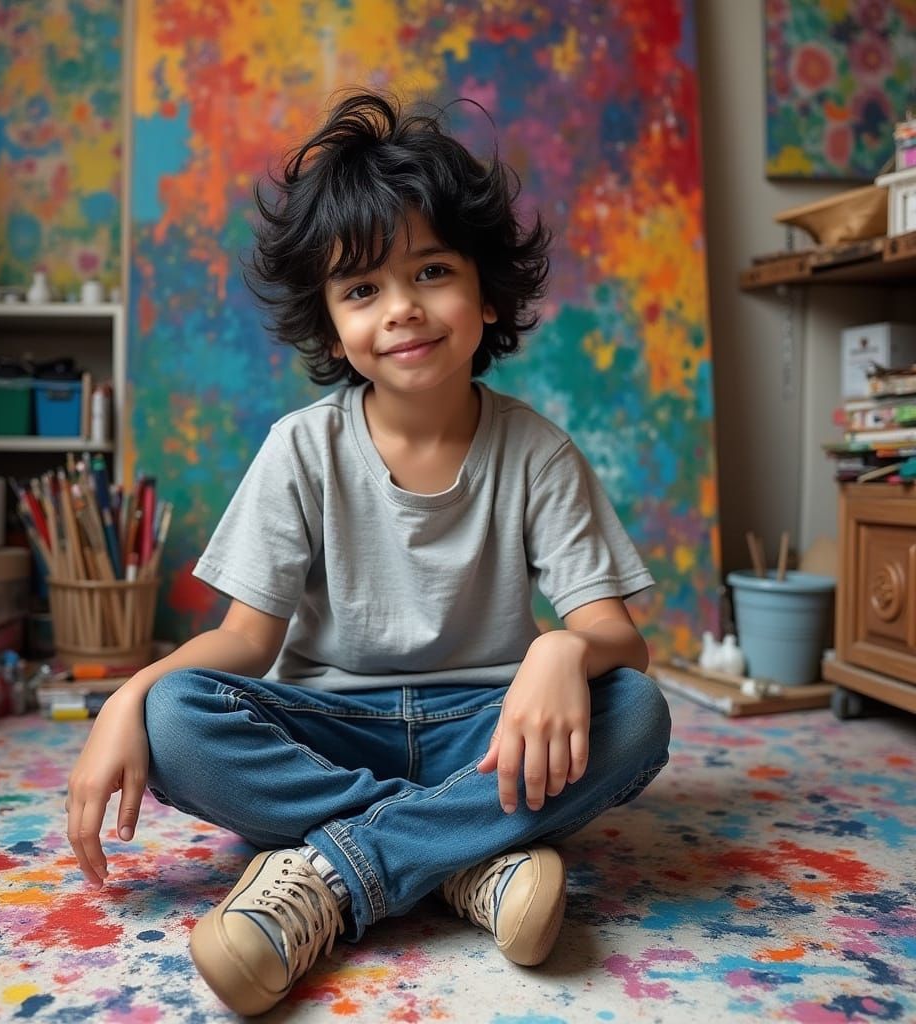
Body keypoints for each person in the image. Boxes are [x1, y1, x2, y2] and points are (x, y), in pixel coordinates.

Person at [66, 90, 671, 1017]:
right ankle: (466, 862)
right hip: (330, 725)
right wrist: (130, 697)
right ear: (332, 322)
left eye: (430, 270)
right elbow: (242, 644)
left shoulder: (537, 452)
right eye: (362, 289)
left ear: (485, 288)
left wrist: (559, 649)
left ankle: (335, 872)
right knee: (181, 718)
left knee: (633, 712)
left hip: (489, 734)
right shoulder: (300, 449)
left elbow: (614, 640)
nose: (402, 310)